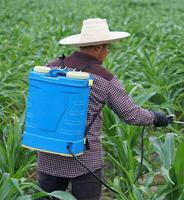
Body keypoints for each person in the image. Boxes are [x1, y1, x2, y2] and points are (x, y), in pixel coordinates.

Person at [37, 18, 170, 200]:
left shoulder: (51, 67)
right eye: (107, 47)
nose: (108, 52)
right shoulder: (103, 78)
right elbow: (131, 114)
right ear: (98, 47)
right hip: (84, 158)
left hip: (48, 151)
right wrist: (156, 117)